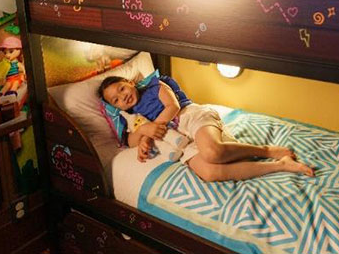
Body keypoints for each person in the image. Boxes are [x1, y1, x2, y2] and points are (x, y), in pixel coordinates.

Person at [98, 75, 315, 182]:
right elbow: (130, 141)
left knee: (213, 152)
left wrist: (152, 129)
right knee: (209, 173)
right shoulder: (131, 117)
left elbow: (173, 107)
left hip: (189, 117)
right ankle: (280, 165)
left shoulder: (156, 86)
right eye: (116, 100)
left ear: (130, 82)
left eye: (122, 88)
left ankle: (266, 151)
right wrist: (144, 133)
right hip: (179, 140)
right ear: (116, 107)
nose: (123, 97)